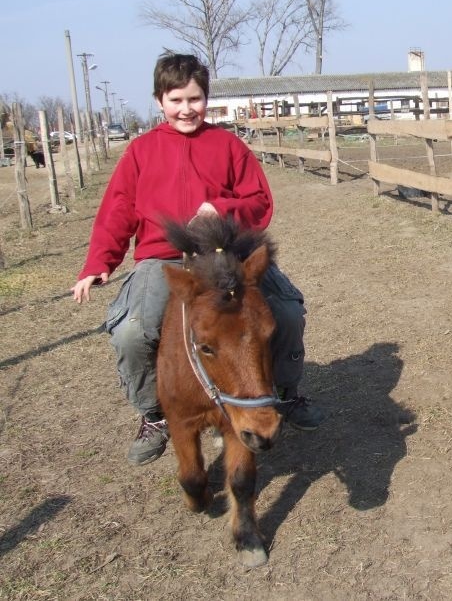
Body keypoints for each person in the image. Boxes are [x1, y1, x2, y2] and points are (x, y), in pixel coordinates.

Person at [71, 52, 324, 466]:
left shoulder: (227, 145)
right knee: (133, 332)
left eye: (195, 99)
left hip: (226, 252)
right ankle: (154, 412)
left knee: (287, 312)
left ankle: (284, 393)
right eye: (176, 100)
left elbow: (259, 200)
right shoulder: (140, 151)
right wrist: (98, 263)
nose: (186, 109)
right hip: (163, 256)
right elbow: (118, 210)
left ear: (206, 98)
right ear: (159, 101)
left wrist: (222, 208)